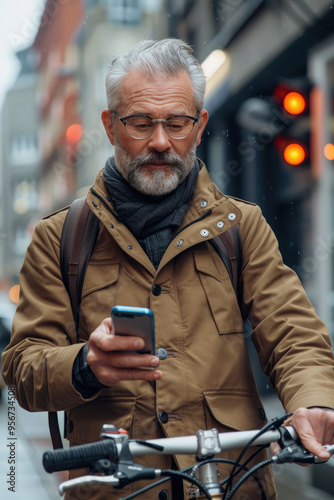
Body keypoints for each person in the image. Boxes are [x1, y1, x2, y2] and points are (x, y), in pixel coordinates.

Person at [2, 39, 334, 500]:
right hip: (116, 486)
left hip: (229, 480)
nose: (160, 142)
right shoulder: (61, 237)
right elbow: (23, 367)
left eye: (177, 123)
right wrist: (85, 365)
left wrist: (313, 399)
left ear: (199, 127)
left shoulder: (241, 226)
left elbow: (293, 332)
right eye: (140, 123)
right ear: (110, 126)